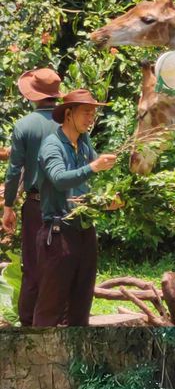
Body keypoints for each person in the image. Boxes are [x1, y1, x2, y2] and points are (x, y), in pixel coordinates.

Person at [33, 89, 117, 327]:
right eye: (86, 112)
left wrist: (106, 200)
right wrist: (93, 168)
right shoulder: (51, 145)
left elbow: (85, 185)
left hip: (85, 230)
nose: (91, 118)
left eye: (93, 113)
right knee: (51, 306)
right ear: (68, 114)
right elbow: (59, 179)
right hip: (59, 233)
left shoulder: (84, 142)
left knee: (82, 302)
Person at [2, 68, 63, 325]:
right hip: (67, 205)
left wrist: (8, 207)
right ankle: (61, 319)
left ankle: (28, 320)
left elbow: (15, 169)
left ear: (33, 95)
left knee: (32, 265)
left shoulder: (24, 125)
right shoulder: (70, 123)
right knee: (62, 264)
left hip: (36, 206)